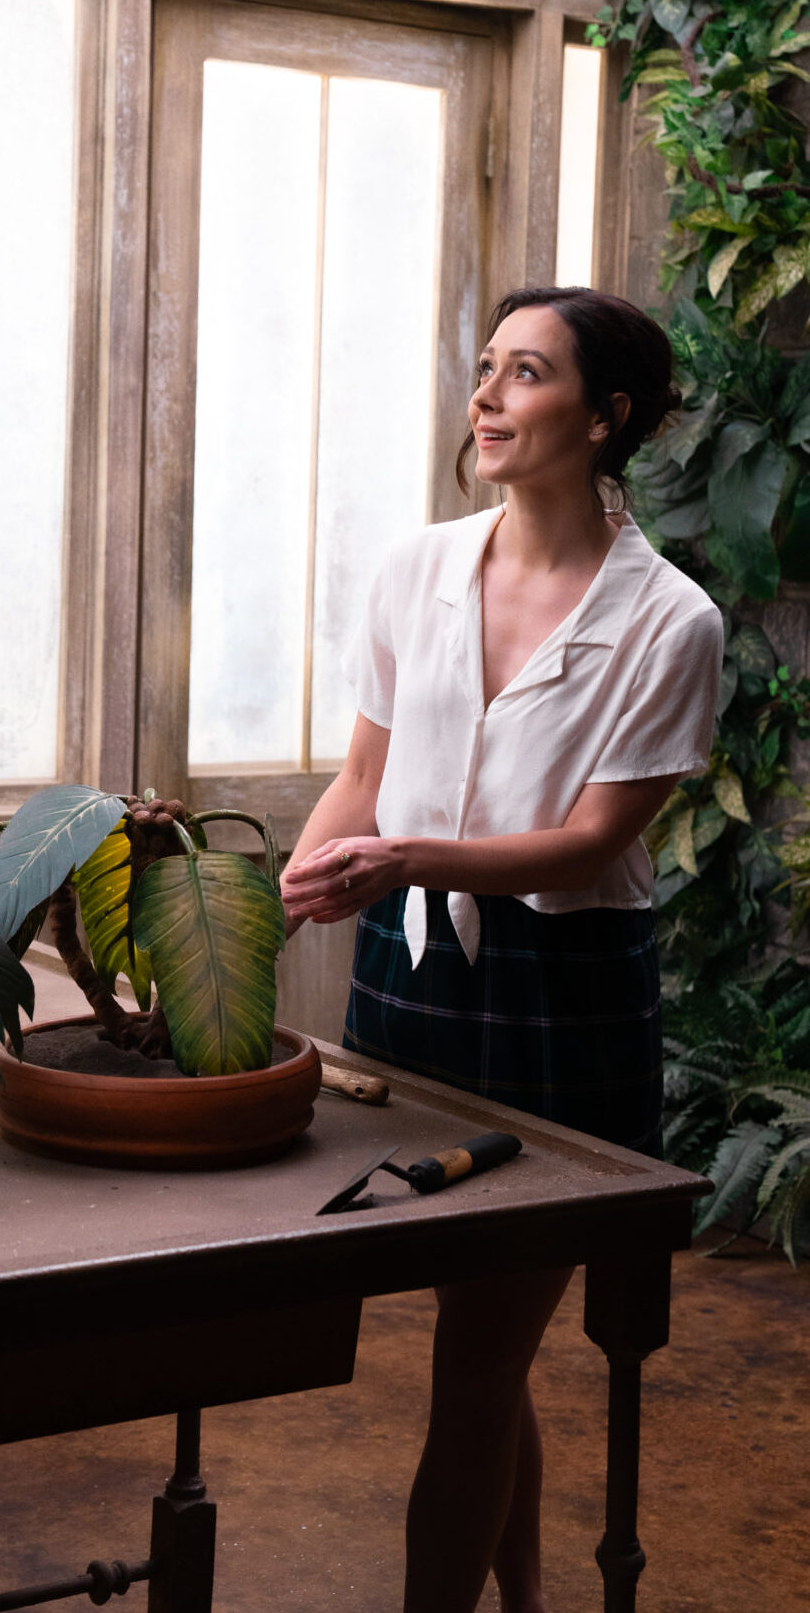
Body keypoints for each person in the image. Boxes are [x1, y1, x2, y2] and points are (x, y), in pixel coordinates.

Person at [280, 285, 724, 1613]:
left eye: (524, 374)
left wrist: (406, 859)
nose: (485, 396)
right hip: (411, 975)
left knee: (476, 1358)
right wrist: (284, 894)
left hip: (565, 993)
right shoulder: (416, 568)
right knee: (485, 1342)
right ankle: (524, 1601)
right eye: (484, 367)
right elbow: (367, 777)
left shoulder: (671, 623)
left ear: (608, 418)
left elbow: (589, 845)